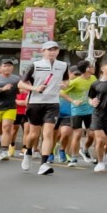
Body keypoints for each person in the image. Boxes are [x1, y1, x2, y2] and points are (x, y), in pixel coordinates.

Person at [18, 40, 69, 175]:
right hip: (35, 102)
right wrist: (35, 88)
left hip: (53, 103)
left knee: (48, 133)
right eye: (49, 49)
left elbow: (66, 81)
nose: (52, 52)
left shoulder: (63, 65)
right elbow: (20, 84)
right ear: (43, 51)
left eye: (55, 49)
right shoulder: (35, 65)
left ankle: (44, 164)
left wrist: (65, 85)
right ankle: (28, 152)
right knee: (33, 134)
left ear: (58, 51)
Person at [61, 61, 96, 164]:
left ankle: (84, 149)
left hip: (90, 110)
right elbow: (62, 93)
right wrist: (74, 101)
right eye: (91, 66)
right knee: (78, 133)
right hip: (77, 111)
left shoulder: (93, 78)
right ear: (87, 69)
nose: (93, 68)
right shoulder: (75, 81)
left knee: (92, 134)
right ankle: (73, 157)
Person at [55, 65, 80, 164]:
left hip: (70, 112)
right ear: (69, 73)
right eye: (75, 74)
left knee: (66, 133)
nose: (77, 76)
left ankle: (62, 150)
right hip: (56, 110)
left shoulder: (80, 84)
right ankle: (50, 151)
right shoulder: (61, 82)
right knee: (54, 134)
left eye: (79, 74)